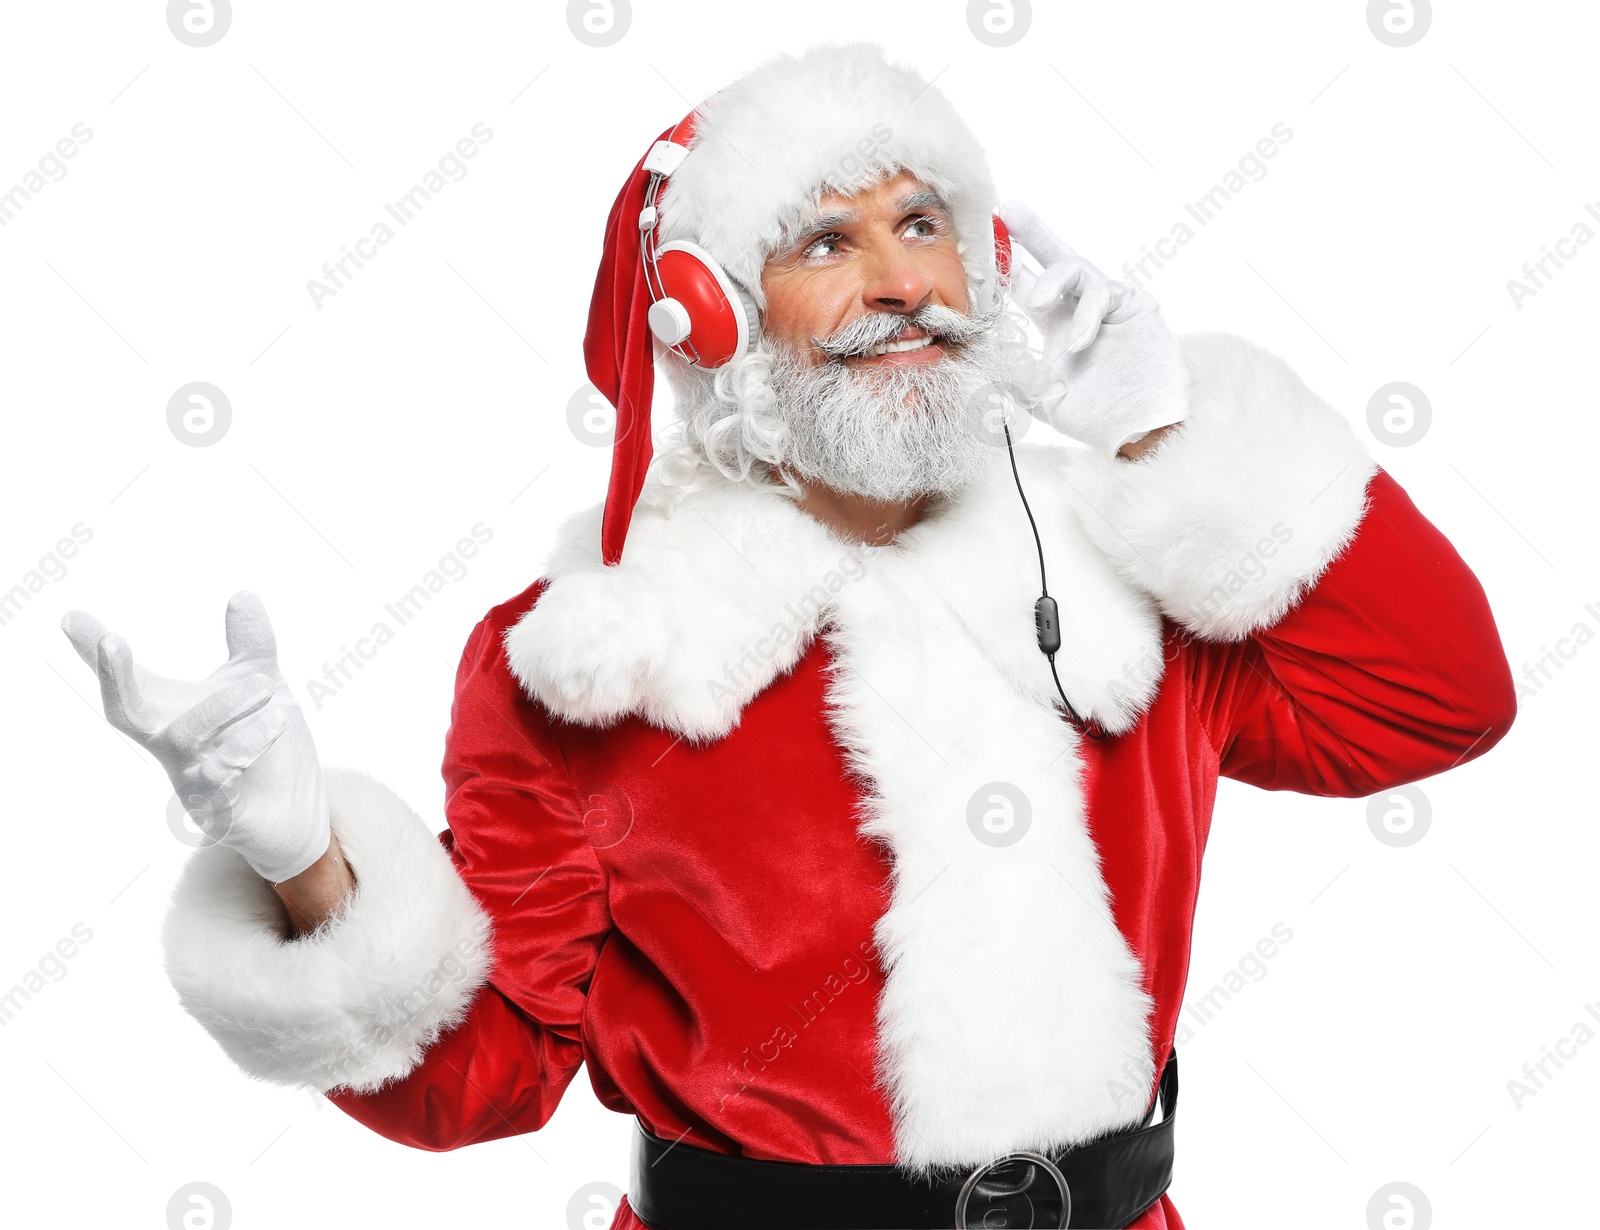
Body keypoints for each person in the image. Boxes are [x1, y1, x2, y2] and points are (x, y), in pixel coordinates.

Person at [62, 42, 1516, 1230]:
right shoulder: (591, 658)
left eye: (926, 225)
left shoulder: (1123, 574)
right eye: (829, 239)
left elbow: (1438, 699)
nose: (903, 284)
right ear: (712, 322)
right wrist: (303, 860)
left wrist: (1163, 426)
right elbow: (487, 1081)